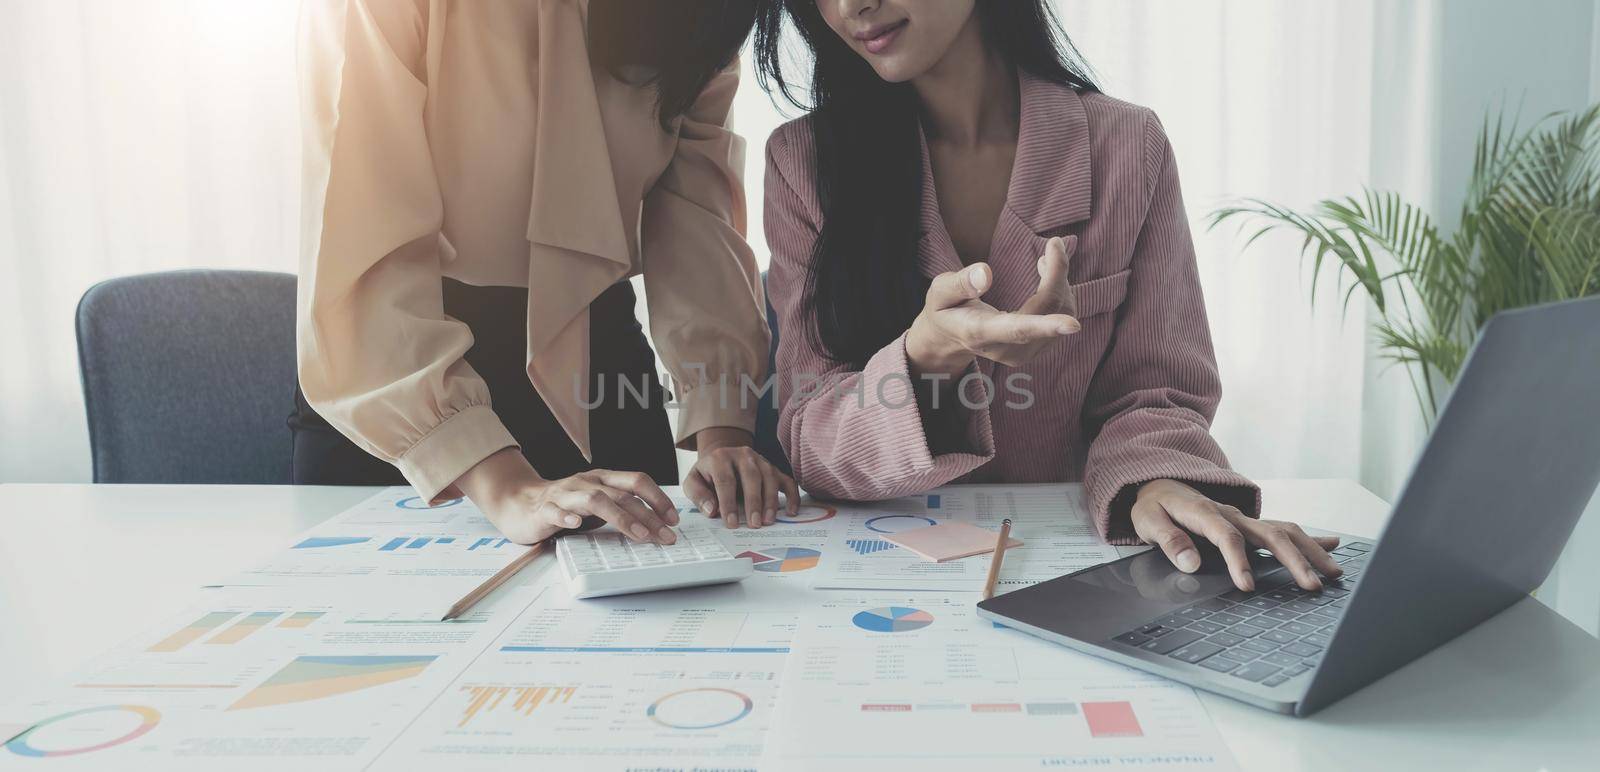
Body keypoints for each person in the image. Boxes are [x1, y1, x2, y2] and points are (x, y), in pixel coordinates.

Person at [755, 0, 1341, 590]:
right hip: (874, 576)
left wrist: (1152, 480)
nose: (850, 6)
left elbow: (1156, 392)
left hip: (1072, 569)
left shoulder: (1127, 148)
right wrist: (925, 356)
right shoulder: (804, 164)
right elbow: (811, 440)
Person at [293, 0, 797, 546]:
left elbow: (697, 218)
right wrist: (507, 488)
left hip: (598, 361)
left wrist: (720, 433)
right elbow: (364, 223)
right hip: (396, 377)